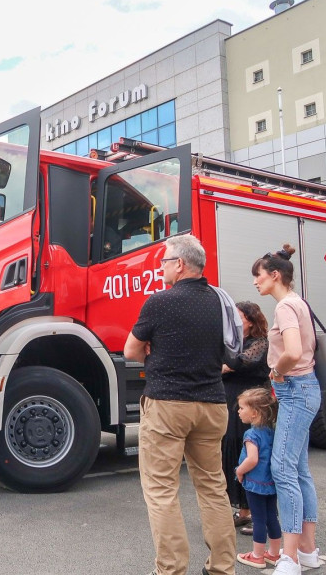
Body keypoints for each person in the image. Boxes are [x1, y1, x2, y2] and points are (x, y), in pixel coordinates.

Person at [124, 234, 236, 575]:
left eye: (164, 261)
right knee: (213, 487)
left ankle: (171, 570)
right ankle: (223, 567)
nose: (161, 268)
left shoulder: (159, 302)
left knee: (161, 490)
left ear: (180, 264)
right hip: (213, 403)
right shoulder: (221, 300)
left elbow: (130, 351)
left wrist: (152, 348)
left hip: (168, 405)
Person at [252, 244, 320, 575]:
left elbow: (292, 351)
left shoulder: (284, 308)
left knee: (282, 470)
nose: (255, 282)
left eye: (259, 276)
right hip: (305, 389)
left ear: (275, 275)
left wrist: (276, 372)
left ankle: (290, 558)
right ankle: (306, 549)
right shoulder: (297, 303)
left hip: (294, 389)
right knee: (299, 470)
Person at [221, 301, 270, 534]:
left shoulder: (259, 343)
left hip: (251, 408)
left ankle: (256, 511)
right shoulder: (233, 343)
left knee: (249, 453)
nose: (234, 320)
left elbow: (240, 362)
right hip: (231, 405)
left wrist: (227, 365)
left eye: (239, 316)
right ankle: (243, 511)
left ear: (250, 320)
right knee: (230, 450)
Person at [235, 387, 282, 569]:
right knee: (271, 517)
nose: (239, 411)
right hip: (270, 482)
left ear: (254, 413)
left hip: (255, 483)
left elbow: (252, 459)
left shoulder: (251, 434)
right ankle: (274, 553)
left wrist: (240, 470)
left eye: (242, 408)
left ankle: (257, 555)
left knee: (259, 519)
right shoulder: (270, 431)